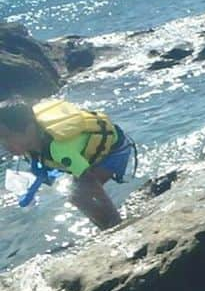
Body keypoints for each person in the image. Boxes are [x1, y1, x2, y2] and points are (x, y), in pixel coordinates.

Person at [0, 98, 136, 230]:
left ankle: (114, 224)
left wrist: (112, 213)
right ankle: (106, 226)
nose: (4, 144)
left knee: (79, 195)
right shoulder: (31, 144)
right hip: (88, 154)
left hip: (114, 151)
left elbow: (91, 181)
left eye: (7, 137)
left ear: (29, 130)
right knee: (77, 194)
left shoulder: (58, 149)